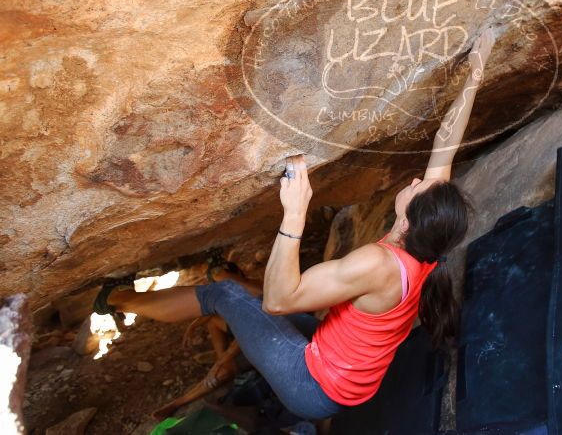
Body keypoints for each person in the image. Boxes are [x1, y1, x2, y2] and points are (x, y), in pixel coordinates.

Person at [94, 27, 498, 421]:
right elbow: (446, 143)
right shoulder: (428, 241)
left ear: (409, 219)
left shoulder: (378, 263)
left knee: (226, 296)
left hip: (314, 387)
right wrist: (477, 69)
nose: (413, 182)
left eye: (415, 188)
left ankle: (115, 301)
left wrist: (294, 215)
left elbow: (278, 301)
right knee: (256, 301)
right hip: (351, 377)